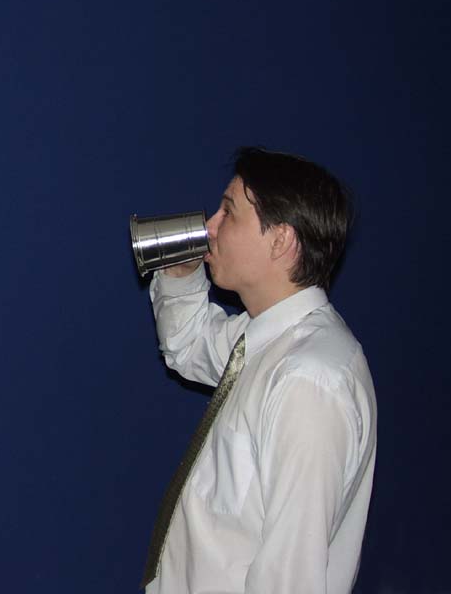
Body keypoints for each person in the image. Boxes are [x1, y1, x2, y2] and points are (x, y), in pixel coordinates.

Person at [141, 147, 377, 594]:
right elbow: (189, 345)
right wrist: (181, 273)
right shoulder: (267, 339)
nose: (210, 226)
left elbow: (290, 581)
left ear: (280, 240)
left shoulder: (309, 383)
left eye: (228, 212)